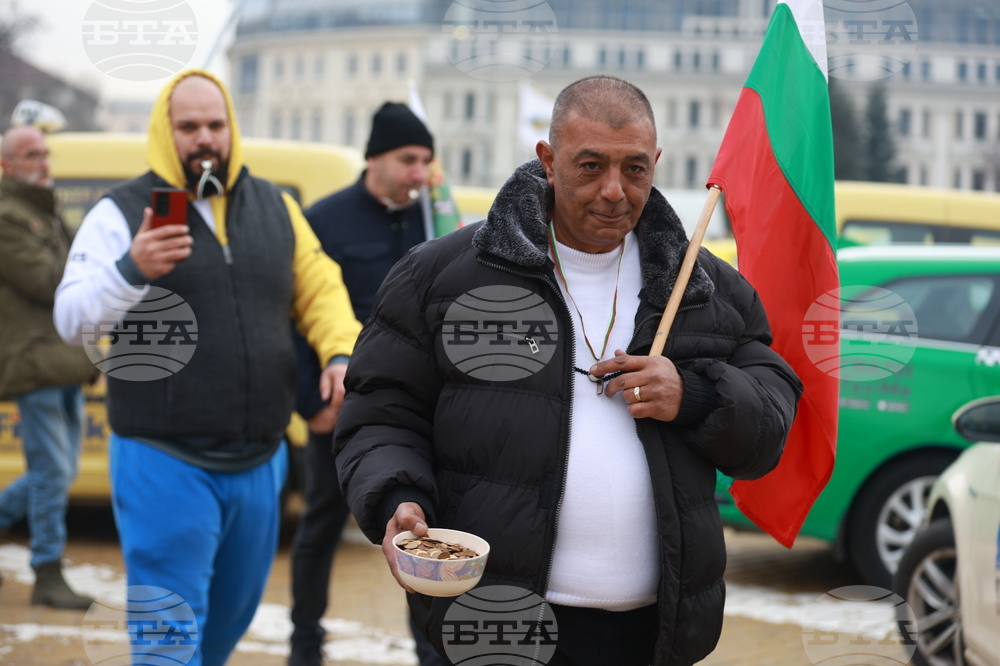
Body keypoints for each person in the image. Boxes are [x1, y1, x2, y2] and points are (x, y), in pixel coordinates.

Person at [334, 75, 803, 665]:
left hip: (654, 634)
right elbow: (380, 413)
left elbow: (770, 423)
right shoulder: (444, 276)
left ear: (656, 162)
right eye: (590, 167)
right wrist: (397, 496)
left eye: (635, 169)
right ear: (548, 162)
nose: (614, 191)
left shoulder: (703, 287)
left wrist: (698, 396)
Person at [53, 70, 361, 666]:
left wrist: (340, 352)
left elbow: (320, 288)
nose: (204, 139)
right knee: (169, 640)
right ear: (164, 132)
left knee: (225, 626)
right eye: (188, 126)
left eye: (215, 125)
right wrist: (130, 269)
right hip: (163, 456)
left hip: (260, 458)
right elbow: (72, 318)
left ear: (231, 129)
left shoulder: (276, 206)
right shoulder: (120, 212)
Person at [288, 102, 439, 666]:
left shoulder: (435, 224)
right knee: (320, 528)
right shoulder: (323, 220)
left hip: (418, 417)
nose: (419, 172)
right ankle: (305, 645)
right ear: (375, 157)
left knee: (417, 527)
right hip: (339, 413)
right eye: (408, 159)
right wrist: (312, 403)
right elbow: (295, 313)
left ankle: (428, 650)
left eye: (426, 160)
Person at [0, 126, 99, 609]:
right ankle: (47, 572)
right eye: (29, 154)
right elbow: (46, 280)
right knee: (52, 470)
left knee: (57, 470)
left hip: (65, 358)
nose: (42, 160)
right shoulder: (7, 215)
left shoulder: (46, 210)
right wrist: (91, 267)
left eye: (44, 152)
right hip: (34, 360)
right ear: (6, 165)